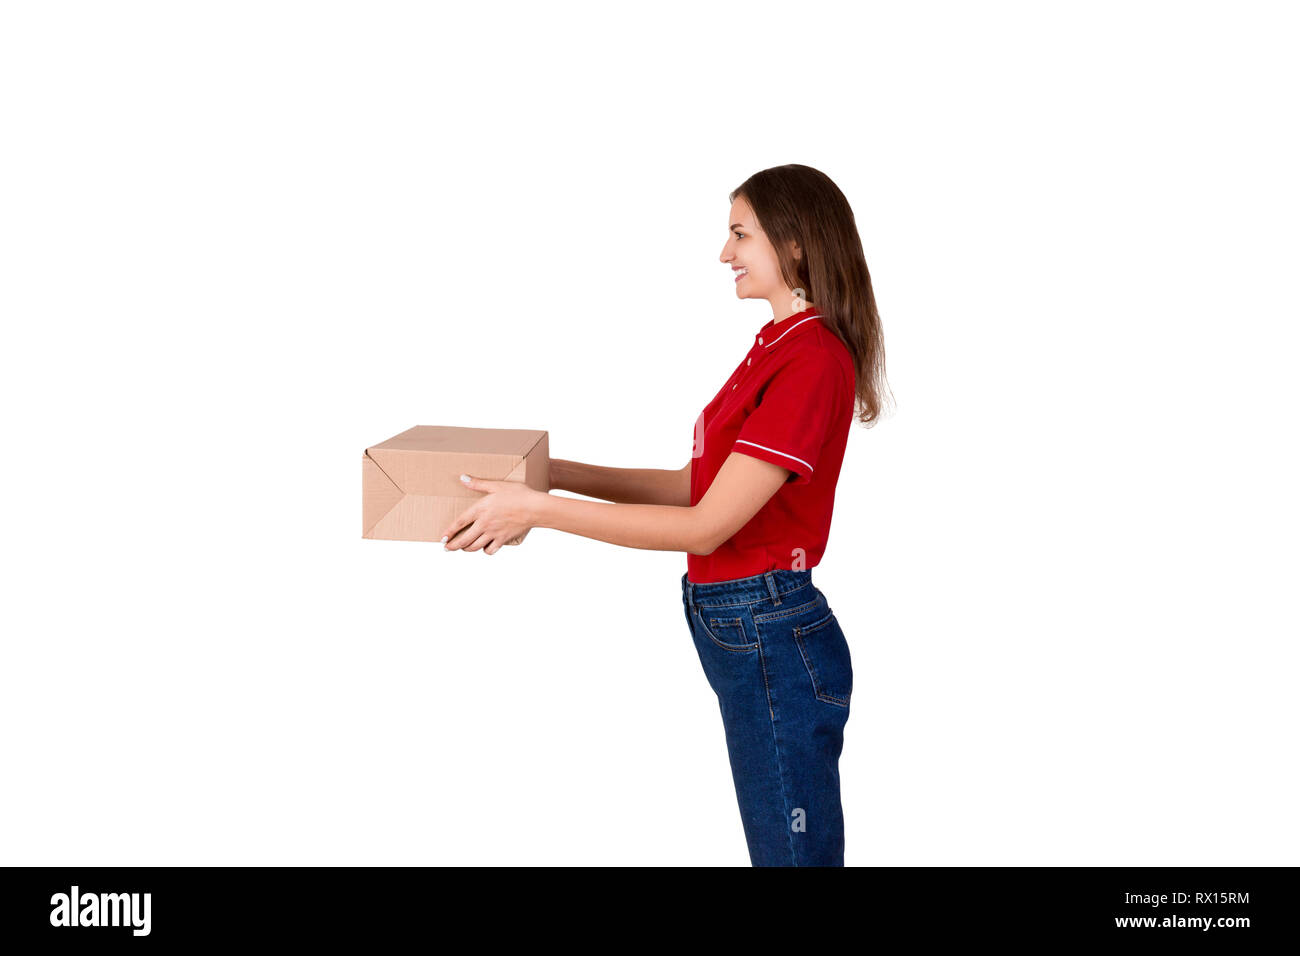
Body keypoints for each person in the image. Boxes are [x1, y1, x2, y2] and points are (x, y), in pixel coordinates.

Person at [440, 164, 889, 865]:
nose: (724, 253)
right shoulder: (776, 345)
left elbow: (706, 528)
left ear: (795, 242)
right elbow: (691, 488)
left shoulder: (811, 360)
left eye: (740, 234)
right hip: (745, 625)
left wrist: (540, 510)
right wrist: (551, 474)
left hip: (768, 630)